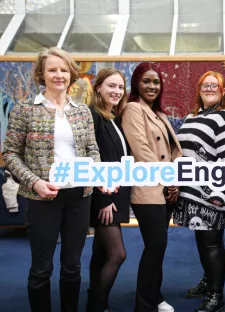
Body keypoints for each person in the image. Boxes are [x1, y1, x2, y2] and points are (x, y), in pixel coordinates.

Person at [2, 47, 100, 312]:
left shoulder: (82, 112)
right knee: (41, 268)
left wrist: (100, 174)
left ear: (71, 74)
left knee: (72, 266)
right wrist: (34, 182)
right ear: (41, 74)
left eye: (64, 69)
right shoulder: (25, 110)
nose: (59, 75)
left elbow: (92, 150)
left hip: (79, 197)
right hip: (42, 198)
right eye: (52, 70)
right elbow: (9, 153)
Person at [173, 71, 225, 312]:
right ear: (199, 89)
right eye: (205, 85)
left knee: (212, 244)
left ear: (223, 92)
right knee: (203, 241)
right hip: (193, 192)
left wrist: (218, 192)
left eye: (215, 86)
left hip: (215, 195)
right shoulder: (192, 117)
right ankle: (208, 280)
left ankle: (216, 296)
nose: (210, 89)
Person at [121, 62, 182, 312]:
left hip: (166, 188)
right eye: (146, 81)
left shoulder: (160, 114)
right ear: (136, 83)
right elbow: (142, 151)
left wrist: (174, 181)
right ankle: (144, 304)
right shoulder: (133, 109)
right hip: (148, 188)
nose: (152, 86)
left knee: (159, 246)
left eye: (156, 82)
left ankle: (154, 296)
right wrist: (168, 178)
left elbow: (171, 150)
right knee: (155, 245)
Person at [86, 68, 131, 312]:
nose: (116, 91)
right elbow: (93, 159)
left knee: (101, 252)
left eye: (120, 87)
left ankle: (95, 299)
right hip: (103, 197)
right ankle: (97, 305)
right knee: (118, 254)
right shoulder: (93, 116)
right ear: (98, 88)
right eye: (111, 86)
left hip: (116, 196)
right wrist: (102, 198)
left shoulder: (113, 117)